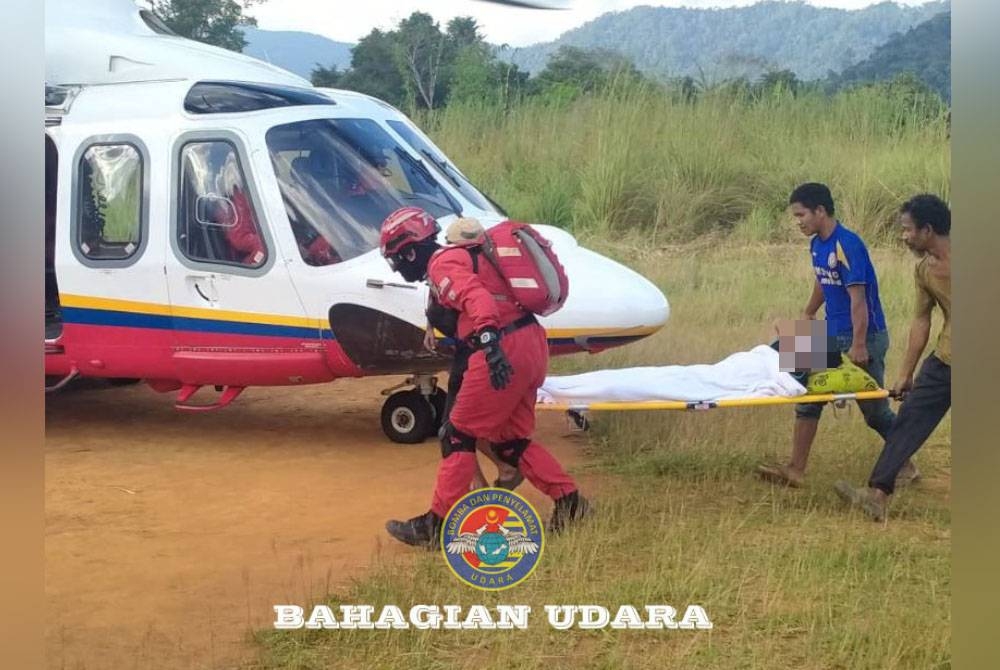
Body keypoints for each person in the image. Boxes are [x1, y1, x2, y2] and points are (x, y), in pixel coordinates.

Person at [378, 207, 590, 547]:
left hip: (500, 349)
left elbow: (477, 299)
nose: (398, 268)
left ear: (411, 251)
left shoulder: (442, 263)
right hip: (531, 344)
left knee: (457, 435)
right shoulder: (465, 256)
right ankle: (571, 503)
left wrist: (490, 340)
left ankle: (436, 526)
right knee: (511, 442)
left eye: (396, 260)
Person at [756, 182, 916, 487]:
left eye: (801, 215)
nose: (798, 222)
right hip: (829, 334)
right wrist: (808, 312)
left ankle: (906, 464)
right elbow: (823, 280)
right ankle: (795, 469)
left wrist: (859, 345)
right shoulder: (817, 243)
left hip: (863, 337)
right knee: (802, 389)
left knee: (875, 413)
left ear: (820, 211)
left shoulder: (848, 245)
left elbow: (859, 299)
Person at [834, 194, 951, 521]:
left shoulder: (845, 245)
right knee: (908, 420)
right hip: (946, 360)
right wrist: (906, 372)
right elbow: (921, 321)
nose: (904, 236)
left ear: (927, 230)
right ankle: (877, 495)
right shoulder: (923, 270)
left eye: (908, 230)